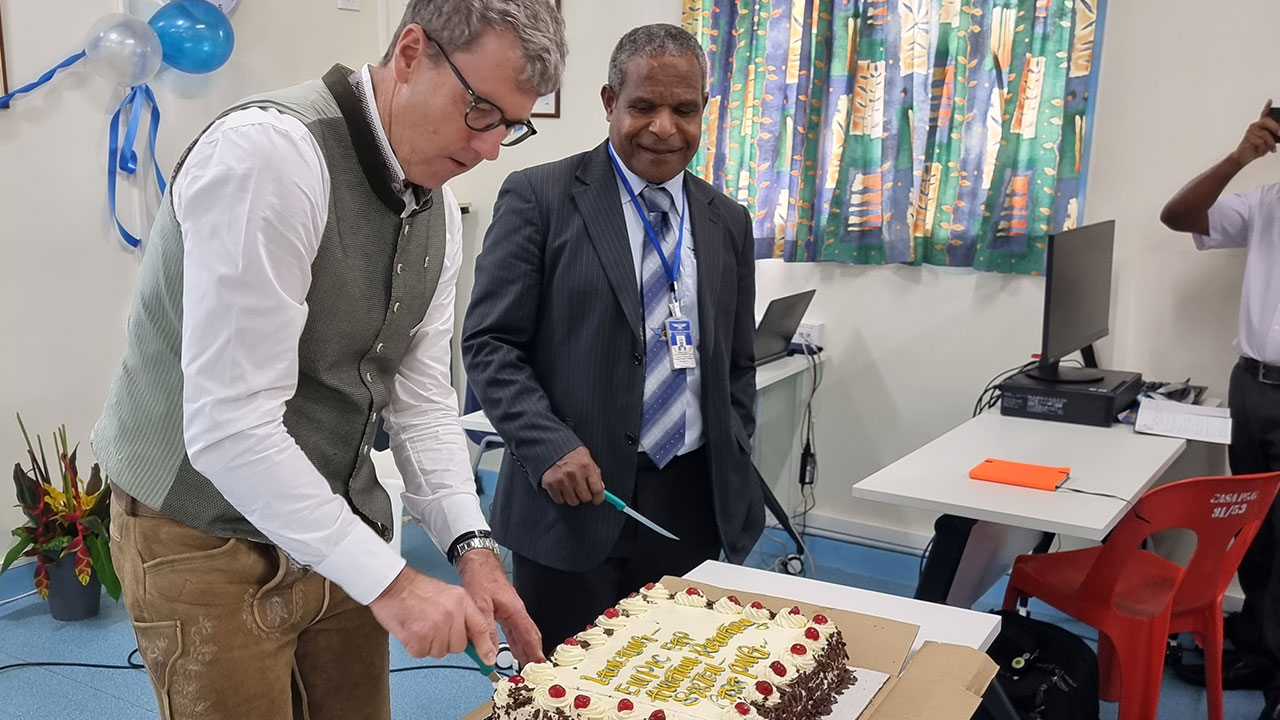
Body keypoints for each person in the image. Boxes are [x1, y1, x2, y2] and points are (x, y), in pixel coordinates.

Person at [91, 1, 566, 717]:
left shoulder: (436, 208)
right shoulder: (269, 157)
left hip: (333, 513)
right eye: (480, 110)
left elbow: (420, 397)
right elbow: (230, 426)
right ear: (410, 54)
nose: (490, 149)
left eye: (511, 124)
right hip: (200, 528)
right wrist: (397, 585)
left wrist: (472, 547)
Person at [461, 23, 763, 655]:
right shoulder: (540, 197)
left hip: (690, 505)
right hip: (572, 499)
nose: (663, 128)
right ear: (608, 102)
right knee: (564, 686)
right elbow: (491, 343)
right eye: (643, 106)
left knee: (673, 679)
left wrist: (730, 447)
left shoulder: (725, 221)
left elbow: (736, 363)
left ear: (704, 110)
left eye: (684, 110)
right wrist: (548, 447)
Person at [1161, 100, 1280, 720]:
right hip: (1254, 386)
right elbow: (1177, 216)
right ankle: (1262, 650)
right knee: (1257, 530)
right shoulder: (1265, 203)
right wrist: (1240, 158)